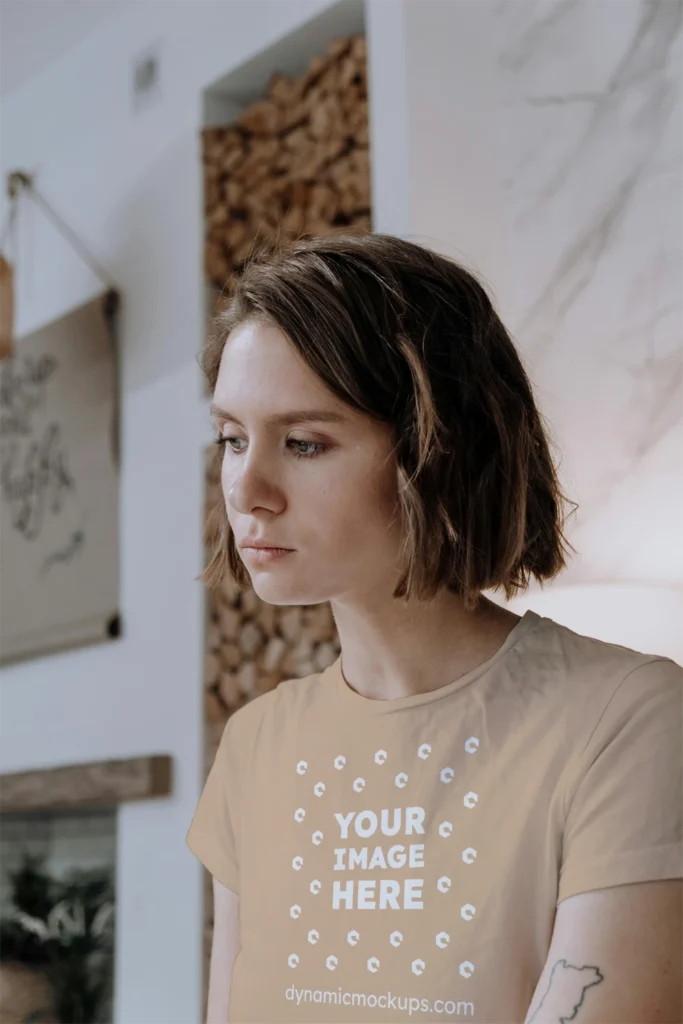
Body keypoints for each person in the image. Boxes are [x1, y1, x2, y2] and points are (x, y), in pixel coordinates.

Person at [186, 233, 683, 1024]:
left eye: (304, 442)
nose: (246, 487)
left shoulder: (629, 719)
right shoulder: (255, 745)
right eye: (231, 439)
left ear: (437, 449)